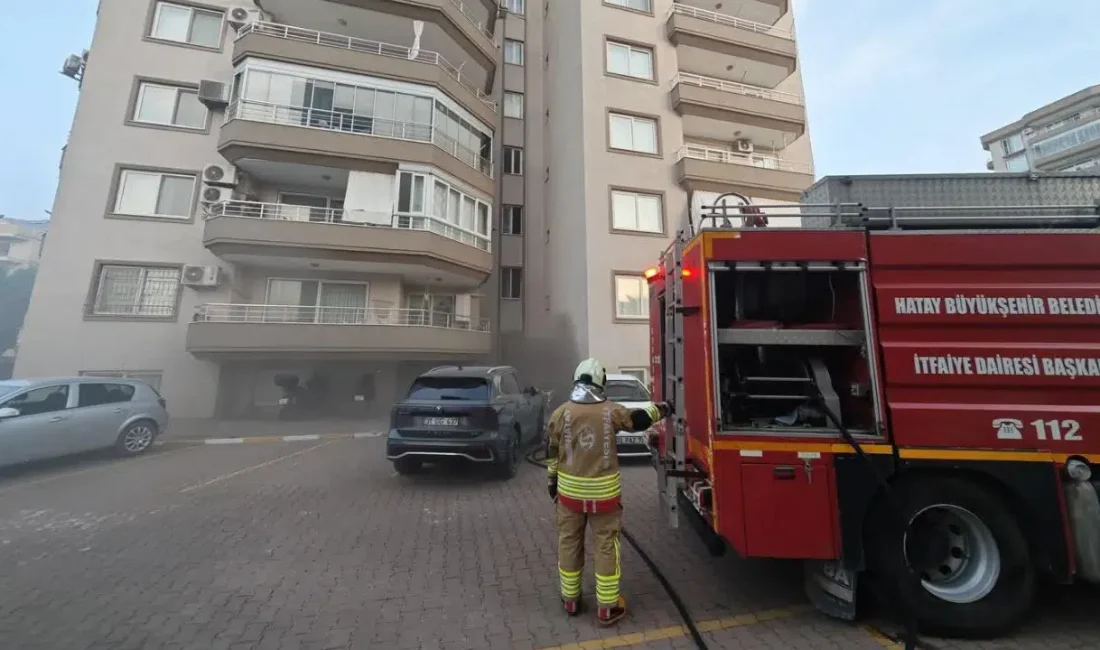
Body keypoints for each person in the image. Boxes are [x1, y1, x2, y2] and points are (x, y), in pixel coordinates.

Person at [546, 358, 672, 626]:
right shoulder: (610, 411)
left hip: (569, 495)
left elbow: (552, 452)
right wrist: (663, 409)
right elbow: (637, 420)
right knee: (605, 545)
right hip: (604, 496)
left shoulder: (561, 413)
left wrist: (552, 481)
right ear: (599, 381)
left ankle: (570, 600)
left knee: (569, 541)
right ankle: (607, 607)